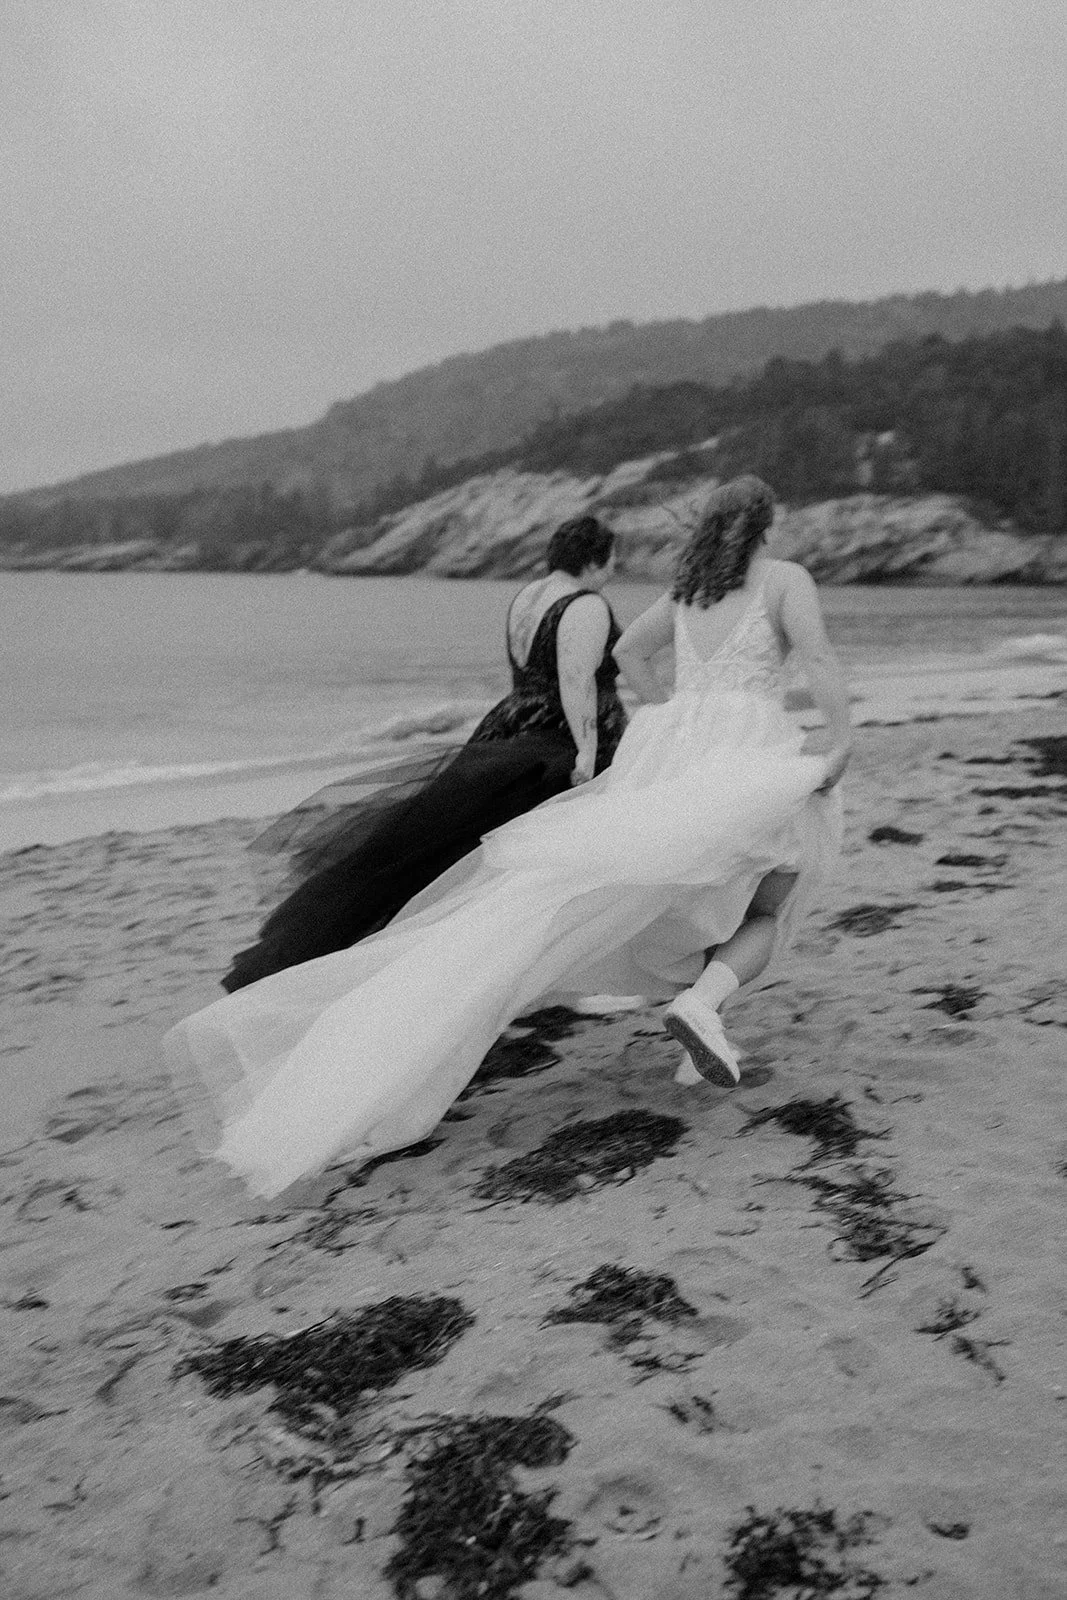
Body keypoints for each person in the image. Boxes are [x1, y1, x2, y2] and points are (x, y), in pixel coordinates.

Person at [166, 475, 848, 1198]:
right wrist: (837, 734)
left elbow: (630, 657)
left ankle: (697, 1023)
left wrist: (677, 711)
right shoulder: (782, 580)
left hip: (673, 749)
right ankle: (702, 1004)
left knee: (588, 900)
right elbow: (819, 658)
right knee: (770, 898)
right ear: (766, 525)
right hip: (746, 746)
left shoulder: (688, 588)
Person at [221, 515, 626, 992]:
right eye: (613, 557)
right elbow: (574, 679)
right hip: (552, 741)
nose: (616, 567)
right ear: (594, 559)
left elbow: (529, 669)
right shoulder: (587, 605)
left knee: (446, 851)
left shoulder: (527, 597)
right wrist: (586, 752)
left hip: (510, 723)